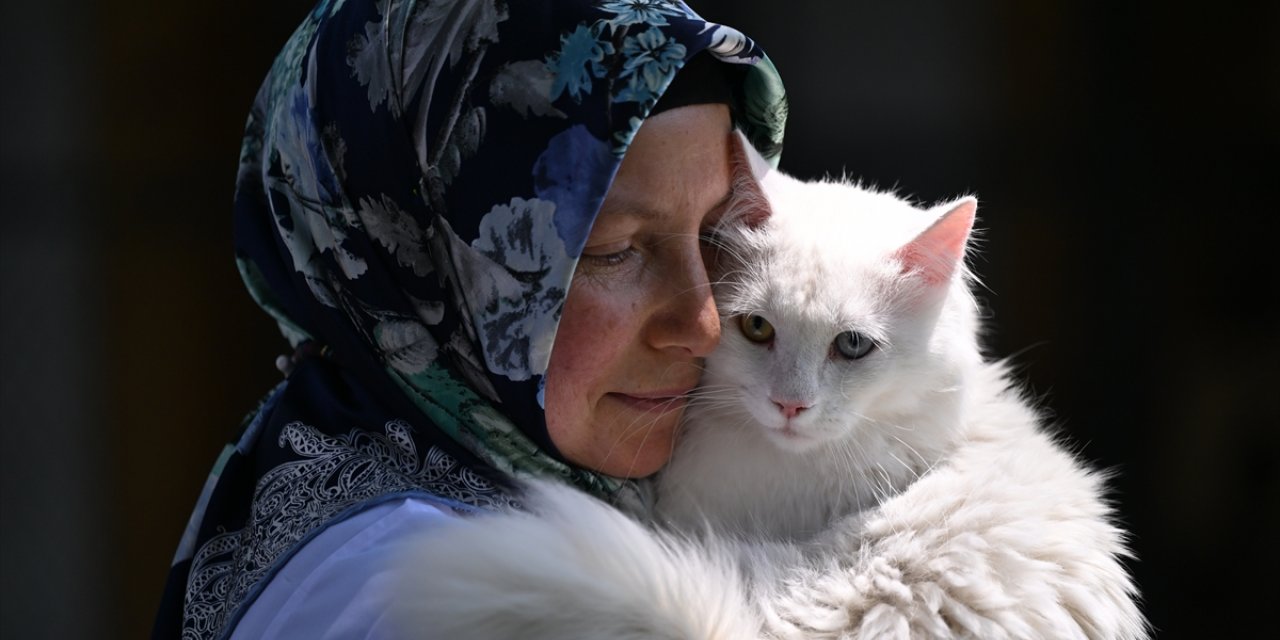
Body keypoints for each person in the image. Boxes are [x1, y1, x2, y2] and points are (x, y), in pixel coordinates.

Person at [153, 0, 787, 638]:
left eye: (719, 236)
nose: (704, 322)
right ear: (417, 255)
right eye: (611, 250)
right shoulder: (424, 601)